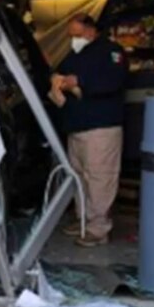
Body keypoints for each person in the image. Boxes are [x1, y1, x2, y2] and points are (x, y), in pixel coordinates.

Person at [56, 15, 128, 247]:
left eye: (76, 35)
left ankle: (98, 227)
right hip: (77, 125)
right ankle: (83, 219)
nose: (73, 39)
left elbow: (113, 81)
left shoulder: (111, 52)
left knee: (100, 177)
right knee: (79, 175)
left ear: (90, 31)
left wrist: (80, 81)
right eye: (71, 35)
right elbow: (61, 71)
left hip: (101, 126)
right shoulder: (75, 54)